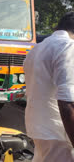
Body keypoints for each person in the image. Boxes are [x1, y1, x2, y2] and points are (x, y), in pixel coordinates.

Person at [24, 11, 74, 162]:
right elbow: (68, 103)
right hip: (59, 134)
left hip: (38, 129)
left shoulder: (36, 50)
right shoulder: (68, 47)